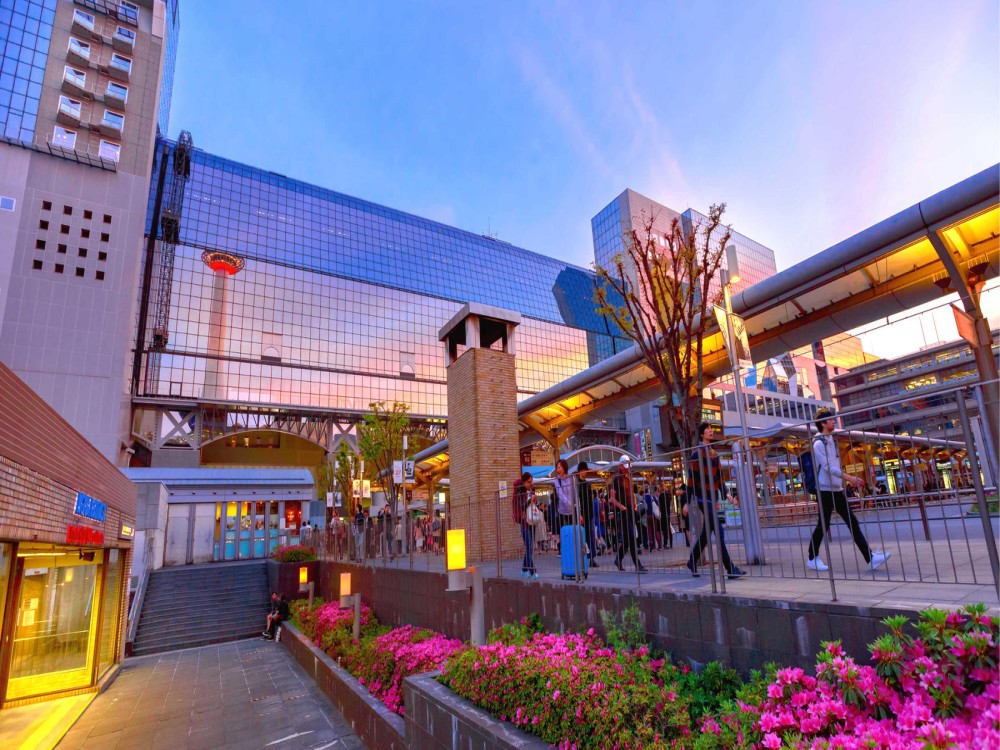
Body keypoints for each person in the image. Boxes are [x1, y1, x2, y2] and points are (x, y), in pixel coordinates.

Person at [806, 408, 890, 572]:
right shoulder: (818, 443)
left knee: (851, 523)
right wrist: (849, 478)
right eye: (830, 420)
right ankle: (811, 557)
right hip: (824, 490)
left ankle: (870, 558)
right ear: (823, 423)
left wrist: (842, 481)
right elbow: (828, 467)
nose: (834, 422)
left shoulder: (830, 441)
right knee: (823, 526)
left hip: (835, 489)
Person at [686, 423, 744, 579]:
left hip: (712, 498)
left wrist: (726, 493)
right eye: (707, 429)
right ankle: (730, 568)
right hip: (701, 498)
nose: (711, 431)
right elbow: (690, 480)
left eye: (711, 429)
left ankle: (692, 560)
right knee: (719, 530)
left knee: (707, 533)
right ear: (701, 434)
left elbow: (720, 478)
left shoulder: (714, 454)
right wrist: (686, 501)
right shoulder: (696, 454)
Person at [610, 457, 647, 573]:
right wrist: (622, 507)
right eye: (625, 466)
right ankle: (638, 565)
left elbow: (631, 494)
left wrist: (635, 504)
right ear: (620, 466)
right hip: (624, 513)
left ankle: (618, 559)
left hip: (631, 511)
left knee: (627, 541)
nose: (627, 469)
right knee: (631, 539)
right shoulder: (616, 479)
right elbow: (612, 498)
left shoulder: (628, 478)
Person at [512, 472, 538, 578]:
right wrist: (529, 500)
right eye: (528, 482)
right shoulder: (519, 492)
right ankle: (532, 571)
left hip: (532, 520)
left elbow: (534, 505)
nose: (529, 485)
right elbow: (521, 506)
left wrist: (535, 500)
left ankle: (524, 569)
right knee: (529, 546)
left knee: (529, 547)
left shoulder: (531, 490)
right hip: (524, 521)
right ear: (523, 482)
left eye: (531, 483)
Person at [575, 461, 598, 567]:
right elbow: (576, 500)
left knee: (591, 537)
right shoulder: (576, 483)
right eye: (584, 470)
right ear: (580, 471)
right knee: (583, 538)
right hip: (582, 514)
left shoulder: (587, 484)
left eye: (586, 470)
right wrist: (579, 514)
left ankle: (592, 558)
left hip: (590, 513)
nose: (585, 472)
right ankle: (584, 558)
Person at [553, 459, 575, 537]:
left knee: (573, 533)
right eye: (557, 468)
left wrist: (576, 507)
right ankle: (563, 549)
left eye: (560, 467)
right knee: (563, 534)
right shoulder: (557, 480)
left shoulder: (572, 478)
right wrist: (569, 504)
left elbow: (575, 493)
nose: (558, 470)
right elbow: (560, 494)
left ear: (564, 467)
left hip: (572, 512)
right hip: (562, 512)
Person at [657, 483, 673, 549]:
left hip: (663, 514)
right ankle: (671, 543)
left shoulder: (661, 496)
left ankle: (665, 543)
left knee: (664, 529)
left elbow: (659, 505)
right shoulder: (668, 495)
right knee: (669, 528)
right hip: (668, 513)